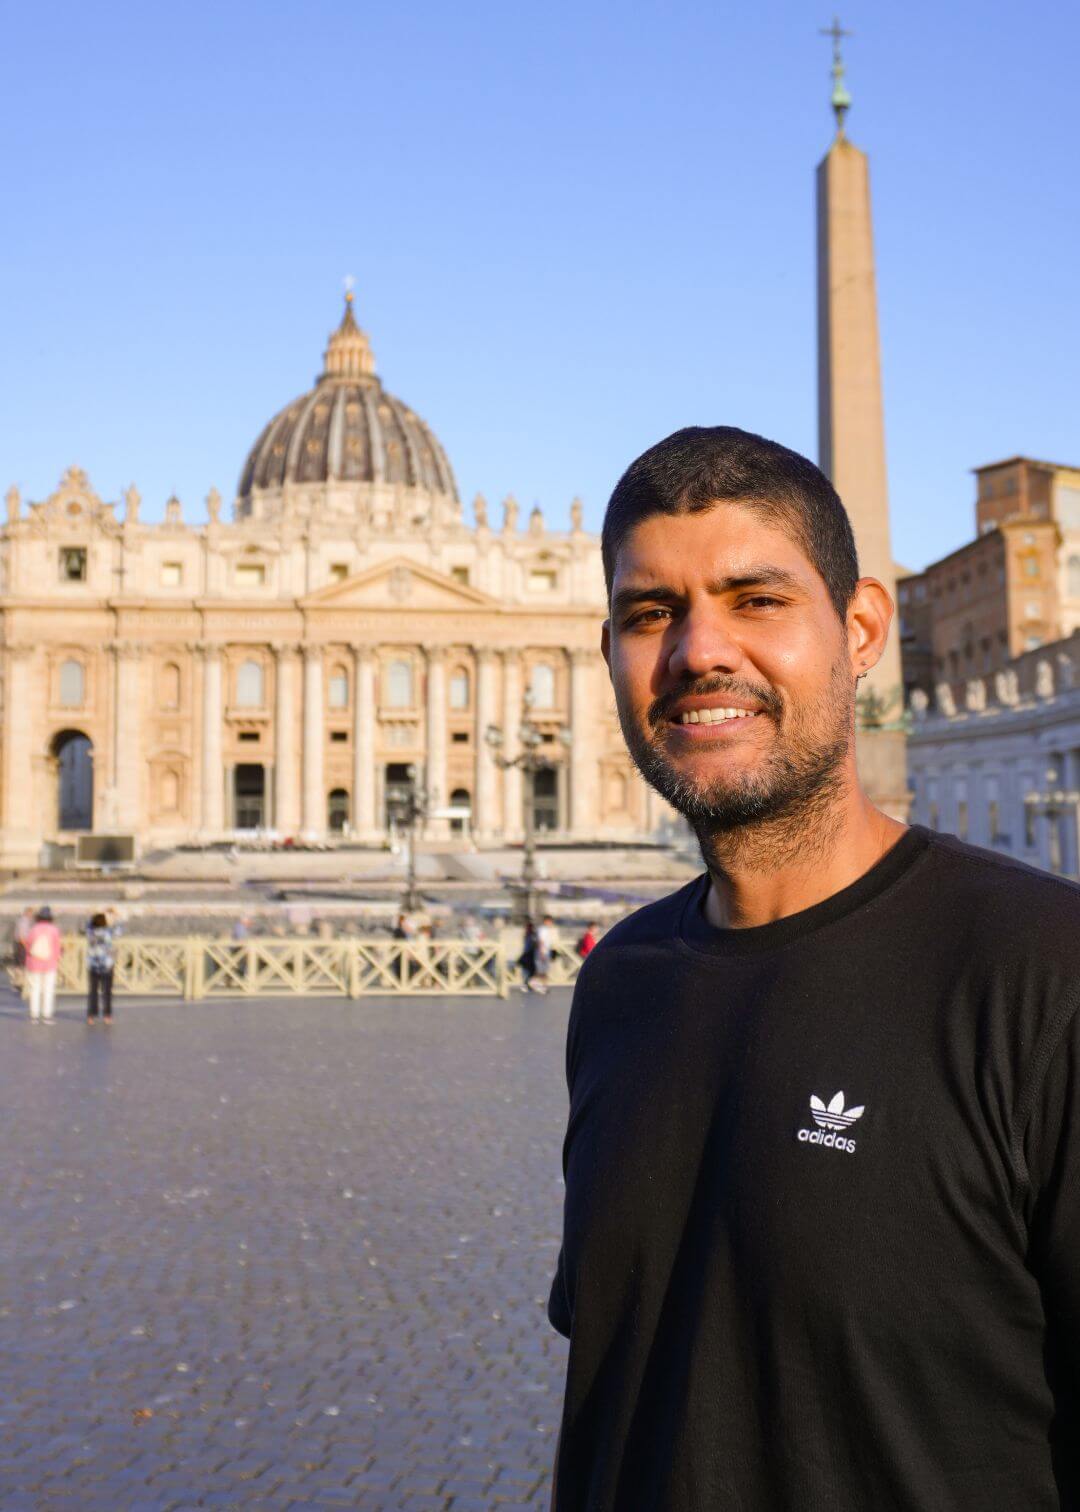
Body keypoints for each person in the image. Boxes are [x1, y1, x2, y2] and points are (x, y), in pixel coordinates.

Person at [547, 426, 1080, 1510]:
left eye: (756, 599)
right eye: (651, 613)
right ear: (608, 649)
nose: (699, 651)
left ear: (862, 627)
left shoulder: (1044, 975)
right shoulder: (619, 982)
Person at [24, 906, 62, 1025]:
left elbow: (28, 944)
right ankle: (47, 1016)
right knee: (48, 990)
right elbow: (57, 948)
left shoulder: (33, 929)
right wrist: (57, 959)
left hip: (34, 963)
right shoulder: (54, 929)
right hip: (49, 963)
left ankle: (34, 1016)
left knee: (35, 989)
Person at [85, 909, 121, 1024]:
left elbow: (87, 925)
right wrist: (115, 918)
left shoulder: (90, 933)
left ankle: (91, 1016)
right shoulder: (108, 933)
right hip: (107, 965)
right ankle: (107, 1016)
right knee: (107, 992)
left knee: (93, 992)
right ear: (105, 922)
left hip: (93, 965)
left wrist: (93, 918)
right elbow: (118, 931)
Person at [12, 906, 34, 994]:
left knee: (18, 965)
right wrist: (27, 947)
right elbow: (22, 937)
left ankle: (17, 984)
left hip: (18, 944)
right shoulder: (24, 922)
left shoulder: (21, 920)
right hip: (21, 945)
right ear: (28, 913)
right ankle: (20, 985)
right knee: (22, 965)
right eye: (31, 914)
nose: (32, 916)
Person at [517, 918, 541, 993]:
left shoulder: (528, 934)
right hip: (530, 955)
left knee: (529, 972)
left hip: (529, 955)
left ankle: (527, 985)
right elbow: (534, 944)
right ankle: (527, 985)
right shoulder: (531, 935)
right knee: (530, 971)